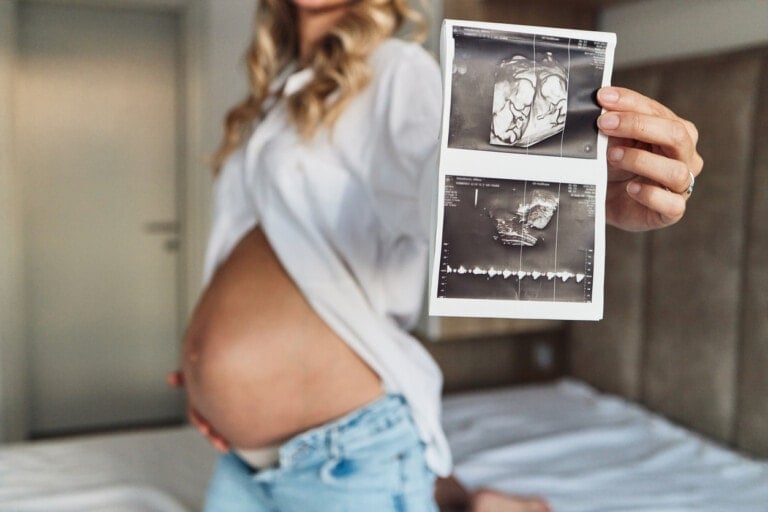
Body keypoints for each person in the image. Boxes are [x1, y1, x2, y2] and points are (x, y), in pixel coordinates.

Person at [168, 0, 703, 511]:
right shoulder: (276, 95)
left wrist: (572, 187)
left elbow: (440, 181)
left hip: (346, 455)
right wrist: (205, 371)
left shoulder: (396, 71)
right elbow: (239, 247)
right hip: (242, 461)